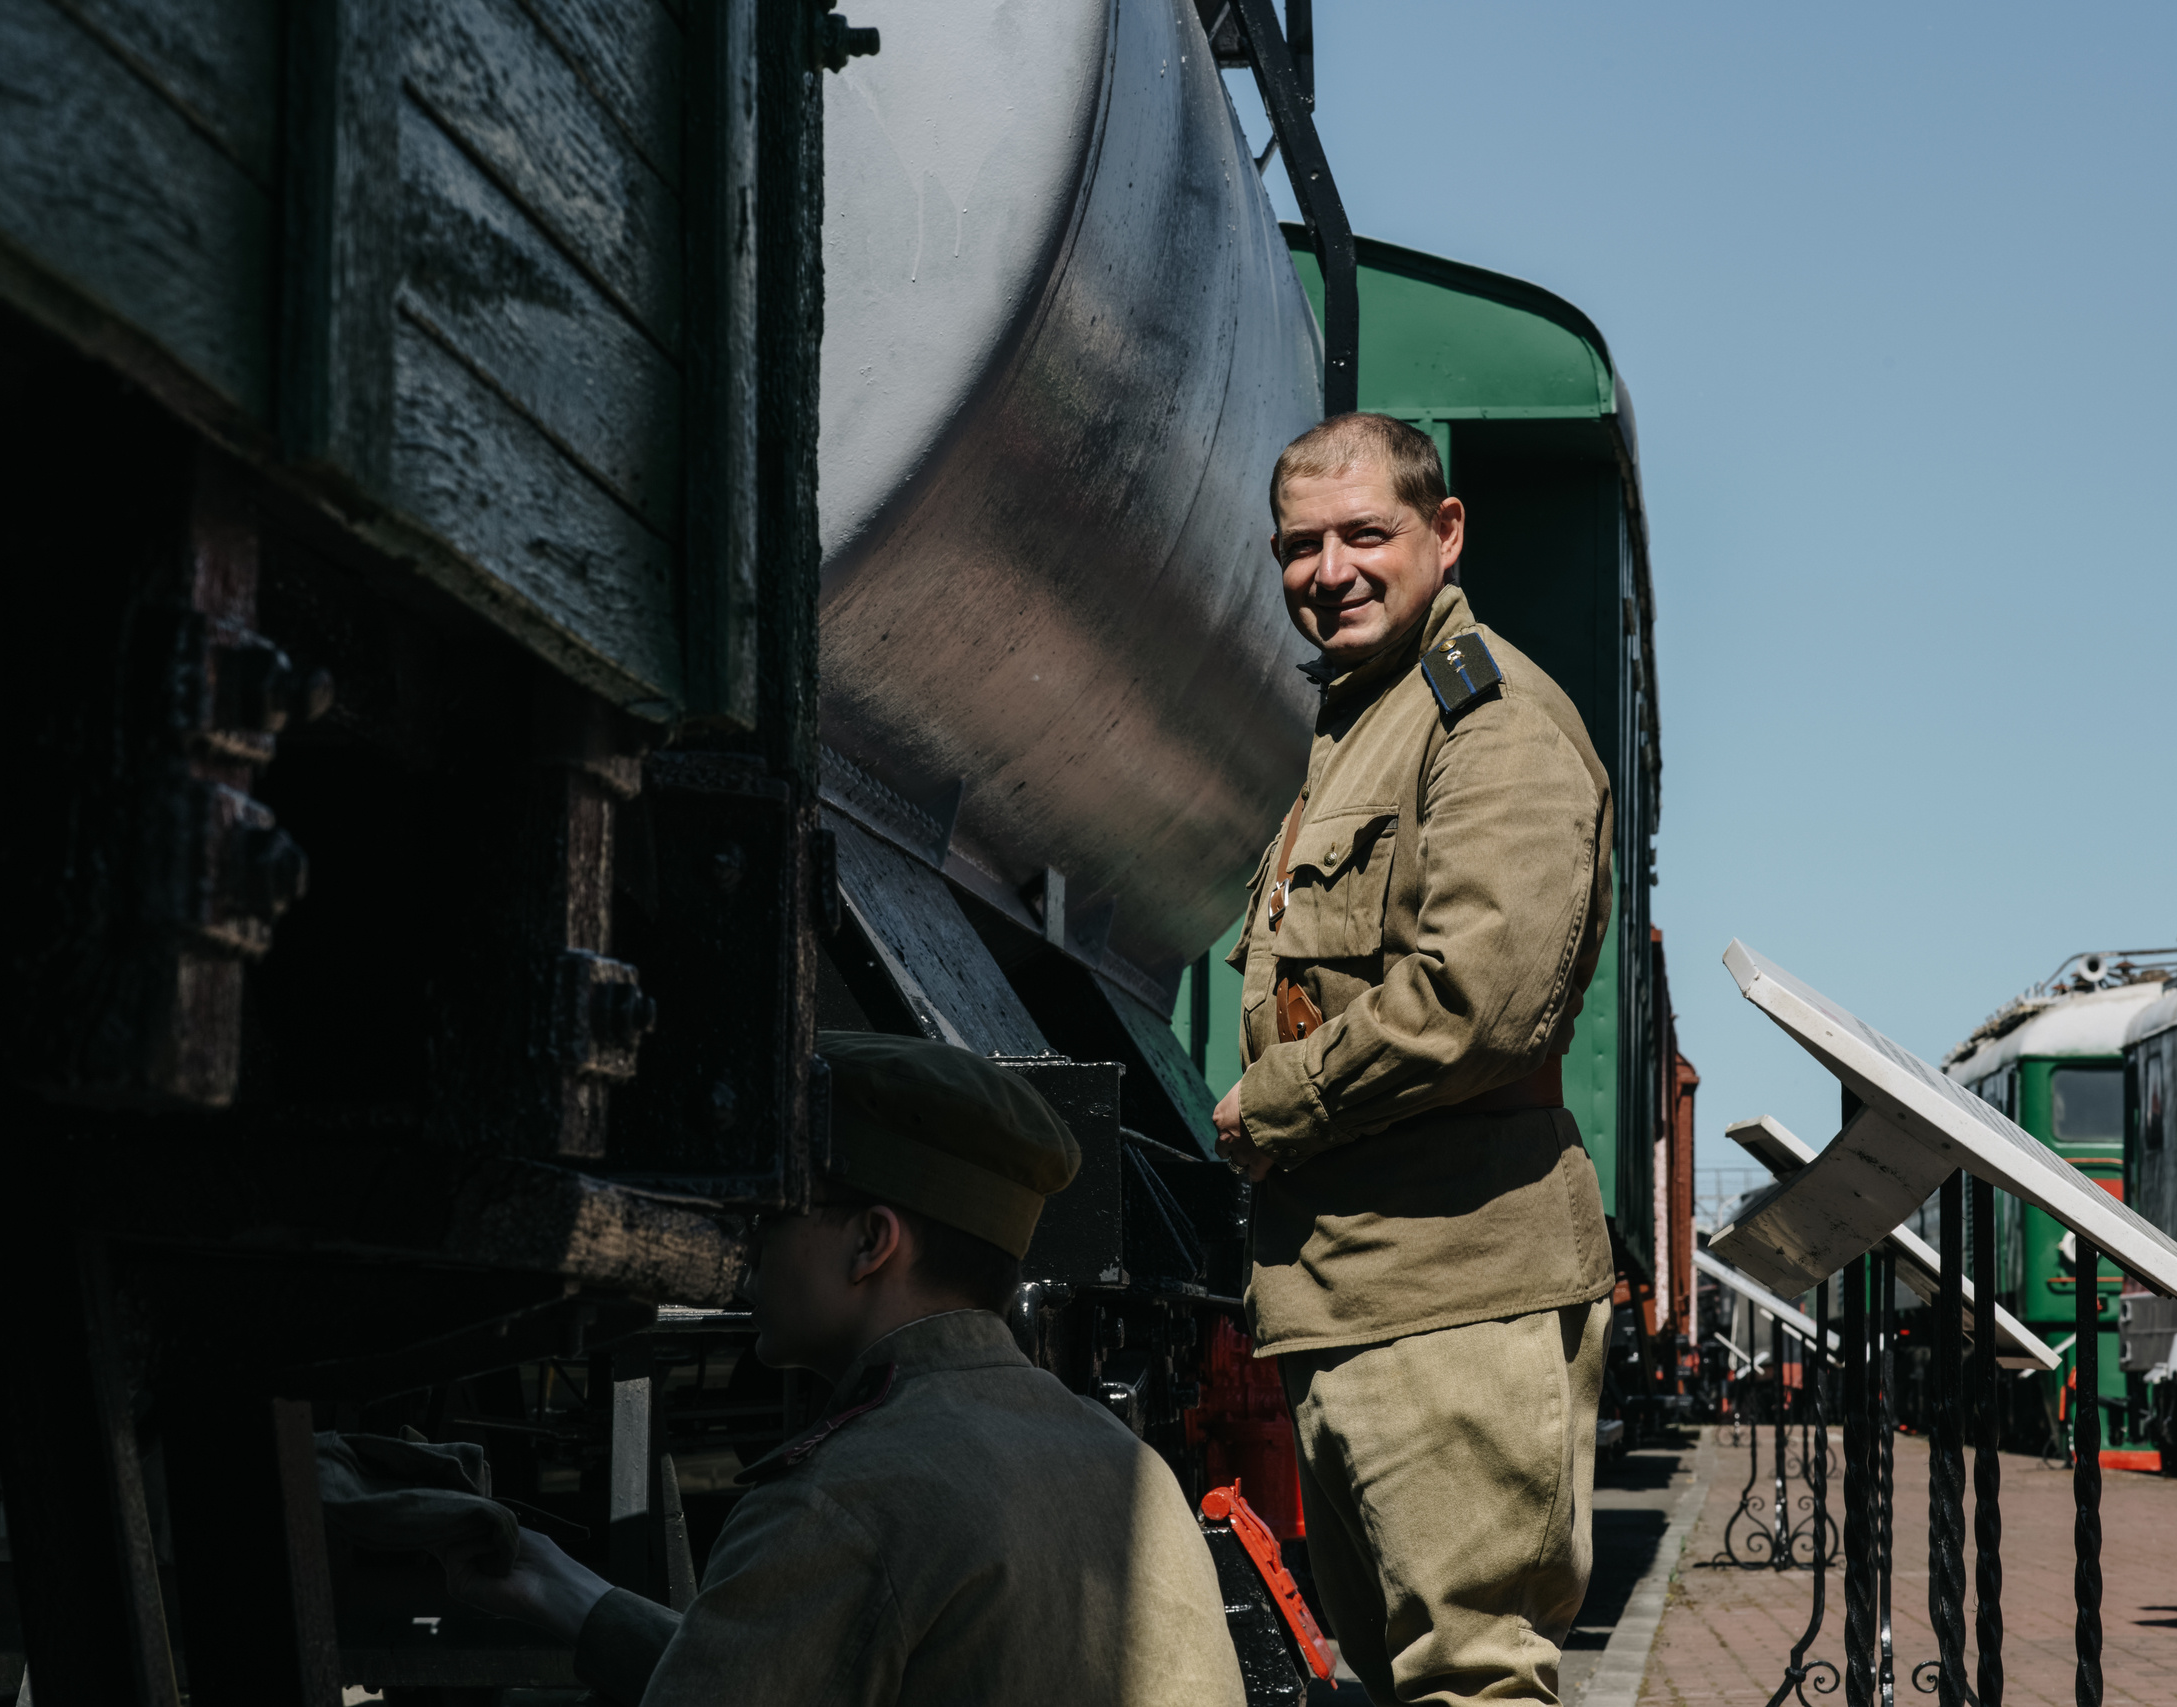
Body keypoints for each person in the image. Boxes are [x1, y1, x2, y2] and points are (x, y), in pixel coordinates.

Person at [445, 1030, 1246, 1706]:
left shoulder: (843, 1502)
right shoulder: (1126, 1465)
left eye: (774, 1210)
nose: (749, 1242)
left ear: (871, 1241)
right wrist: (565, 1592)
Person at [1210, 413, 1617, 1706]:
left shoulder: (1491, 724)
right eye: (1300, 544)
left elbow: (1476, 999)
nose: (1328, 567)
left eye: (1364, 533)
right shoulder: (1364, 725)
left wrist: (1265, 1105)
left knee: (1470, 1678)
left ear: (1443, 535)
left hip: (1452, 1296)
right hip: (1363, 1293)